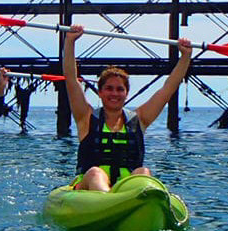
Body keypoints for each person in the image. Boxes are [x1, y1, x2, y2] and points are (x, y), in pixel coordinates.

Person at [62, 25, 192, 191]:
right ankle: (107, 203)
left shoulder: (139, 119)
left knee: (143, 172)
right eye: (109, 88)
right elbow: (71, 80)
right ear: (100, 92)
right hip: (89, 188)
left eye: (119, 89)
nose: (114, 94)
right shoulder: (85, 117)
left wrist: (185, 57)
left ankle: (129, 204)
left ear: (126, 93)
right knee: (95, 173)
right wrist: (70, 42)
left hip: (124, 189)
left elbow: (168, 88)